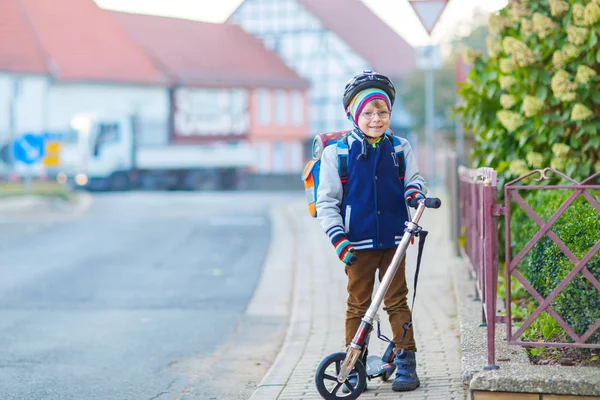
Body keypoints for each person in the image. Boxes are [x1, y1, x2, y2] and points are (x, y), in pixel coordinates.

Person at [315, 70, 427, 392]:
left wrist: (415, 193)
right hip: (356, 244)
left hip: (395, 240)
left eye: (382, 112)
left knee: (396, 301)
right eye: (368, 112)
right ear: (353, 114)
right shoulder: (337, 154)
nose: (376, 119)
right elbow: (327, 203)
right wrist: (338, 239)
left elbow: (414, 181)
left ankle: (406, 361)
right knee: (358, 304)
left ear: (390, 113)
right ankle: (354, 364)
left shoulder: (400, 147)